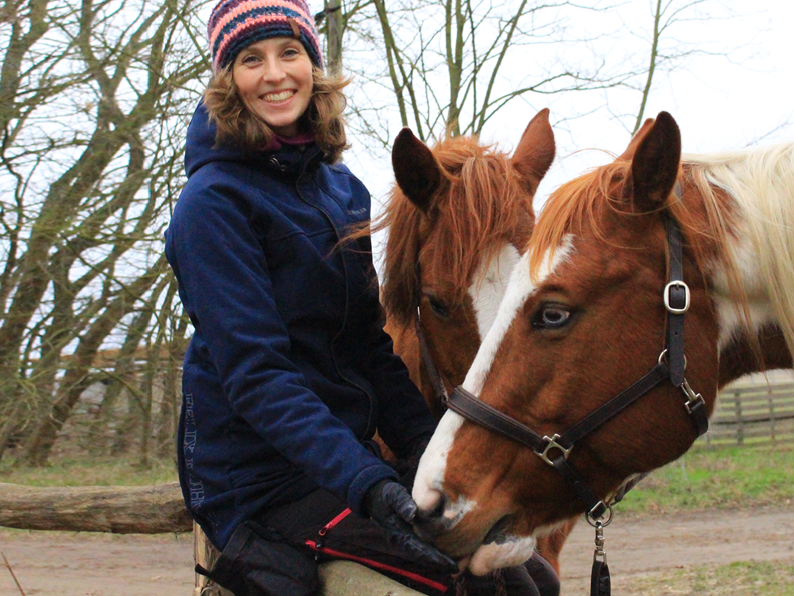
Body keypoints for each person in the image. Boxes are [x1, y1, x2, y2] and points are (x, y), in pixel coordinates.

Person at [165, 1, 560, 595]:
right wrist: (372, 486)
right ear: (229, 81)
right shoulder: (212, 206)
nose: (274, 73)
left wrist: (430, 455)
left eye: (289, 52)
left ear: (312, 66)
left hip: (343, 458)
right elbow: (258, 377)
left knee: (532, 585)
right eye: (251, 59)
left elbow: (371, 351)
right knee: (449, 587)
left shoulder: (341, 190)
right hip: (259, 478)